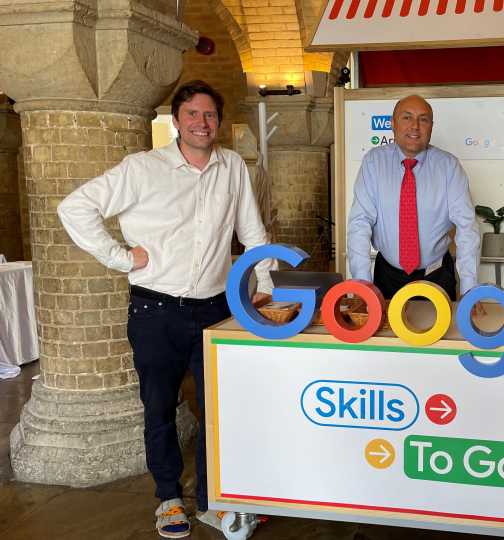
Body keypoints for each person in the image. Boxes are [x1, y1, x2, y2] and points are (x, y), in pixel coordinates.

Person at [57, 80, 273, 538]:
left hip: (217, 307)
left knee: (218, 408)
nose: (202, 122)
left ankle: (212, 500)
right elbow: (75, 207)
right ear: (175, 122)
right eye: (192, 114)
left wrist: (266, 282)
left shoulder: (232, 166)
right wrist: (119, 257)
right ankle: (168, 498)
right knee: (159, 406)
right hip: (155, 310)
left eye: (210, 115)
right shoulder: (142, 168)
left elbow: (252, 232)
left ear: (218, 122)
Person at [347, 95, 485, 316]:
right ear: (392, 123)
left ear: (431, 127)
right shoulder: (373, 163)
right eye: (406, 117)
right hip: (387, 276)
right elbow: (359, 224)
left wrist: (469, 287)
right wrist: (363, 284)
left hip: (437, 275)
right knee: (386, 344)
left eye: (423, 119)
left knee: (441, 341)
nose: (415, 126)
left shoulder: (449, 166)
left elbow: (467, 228)